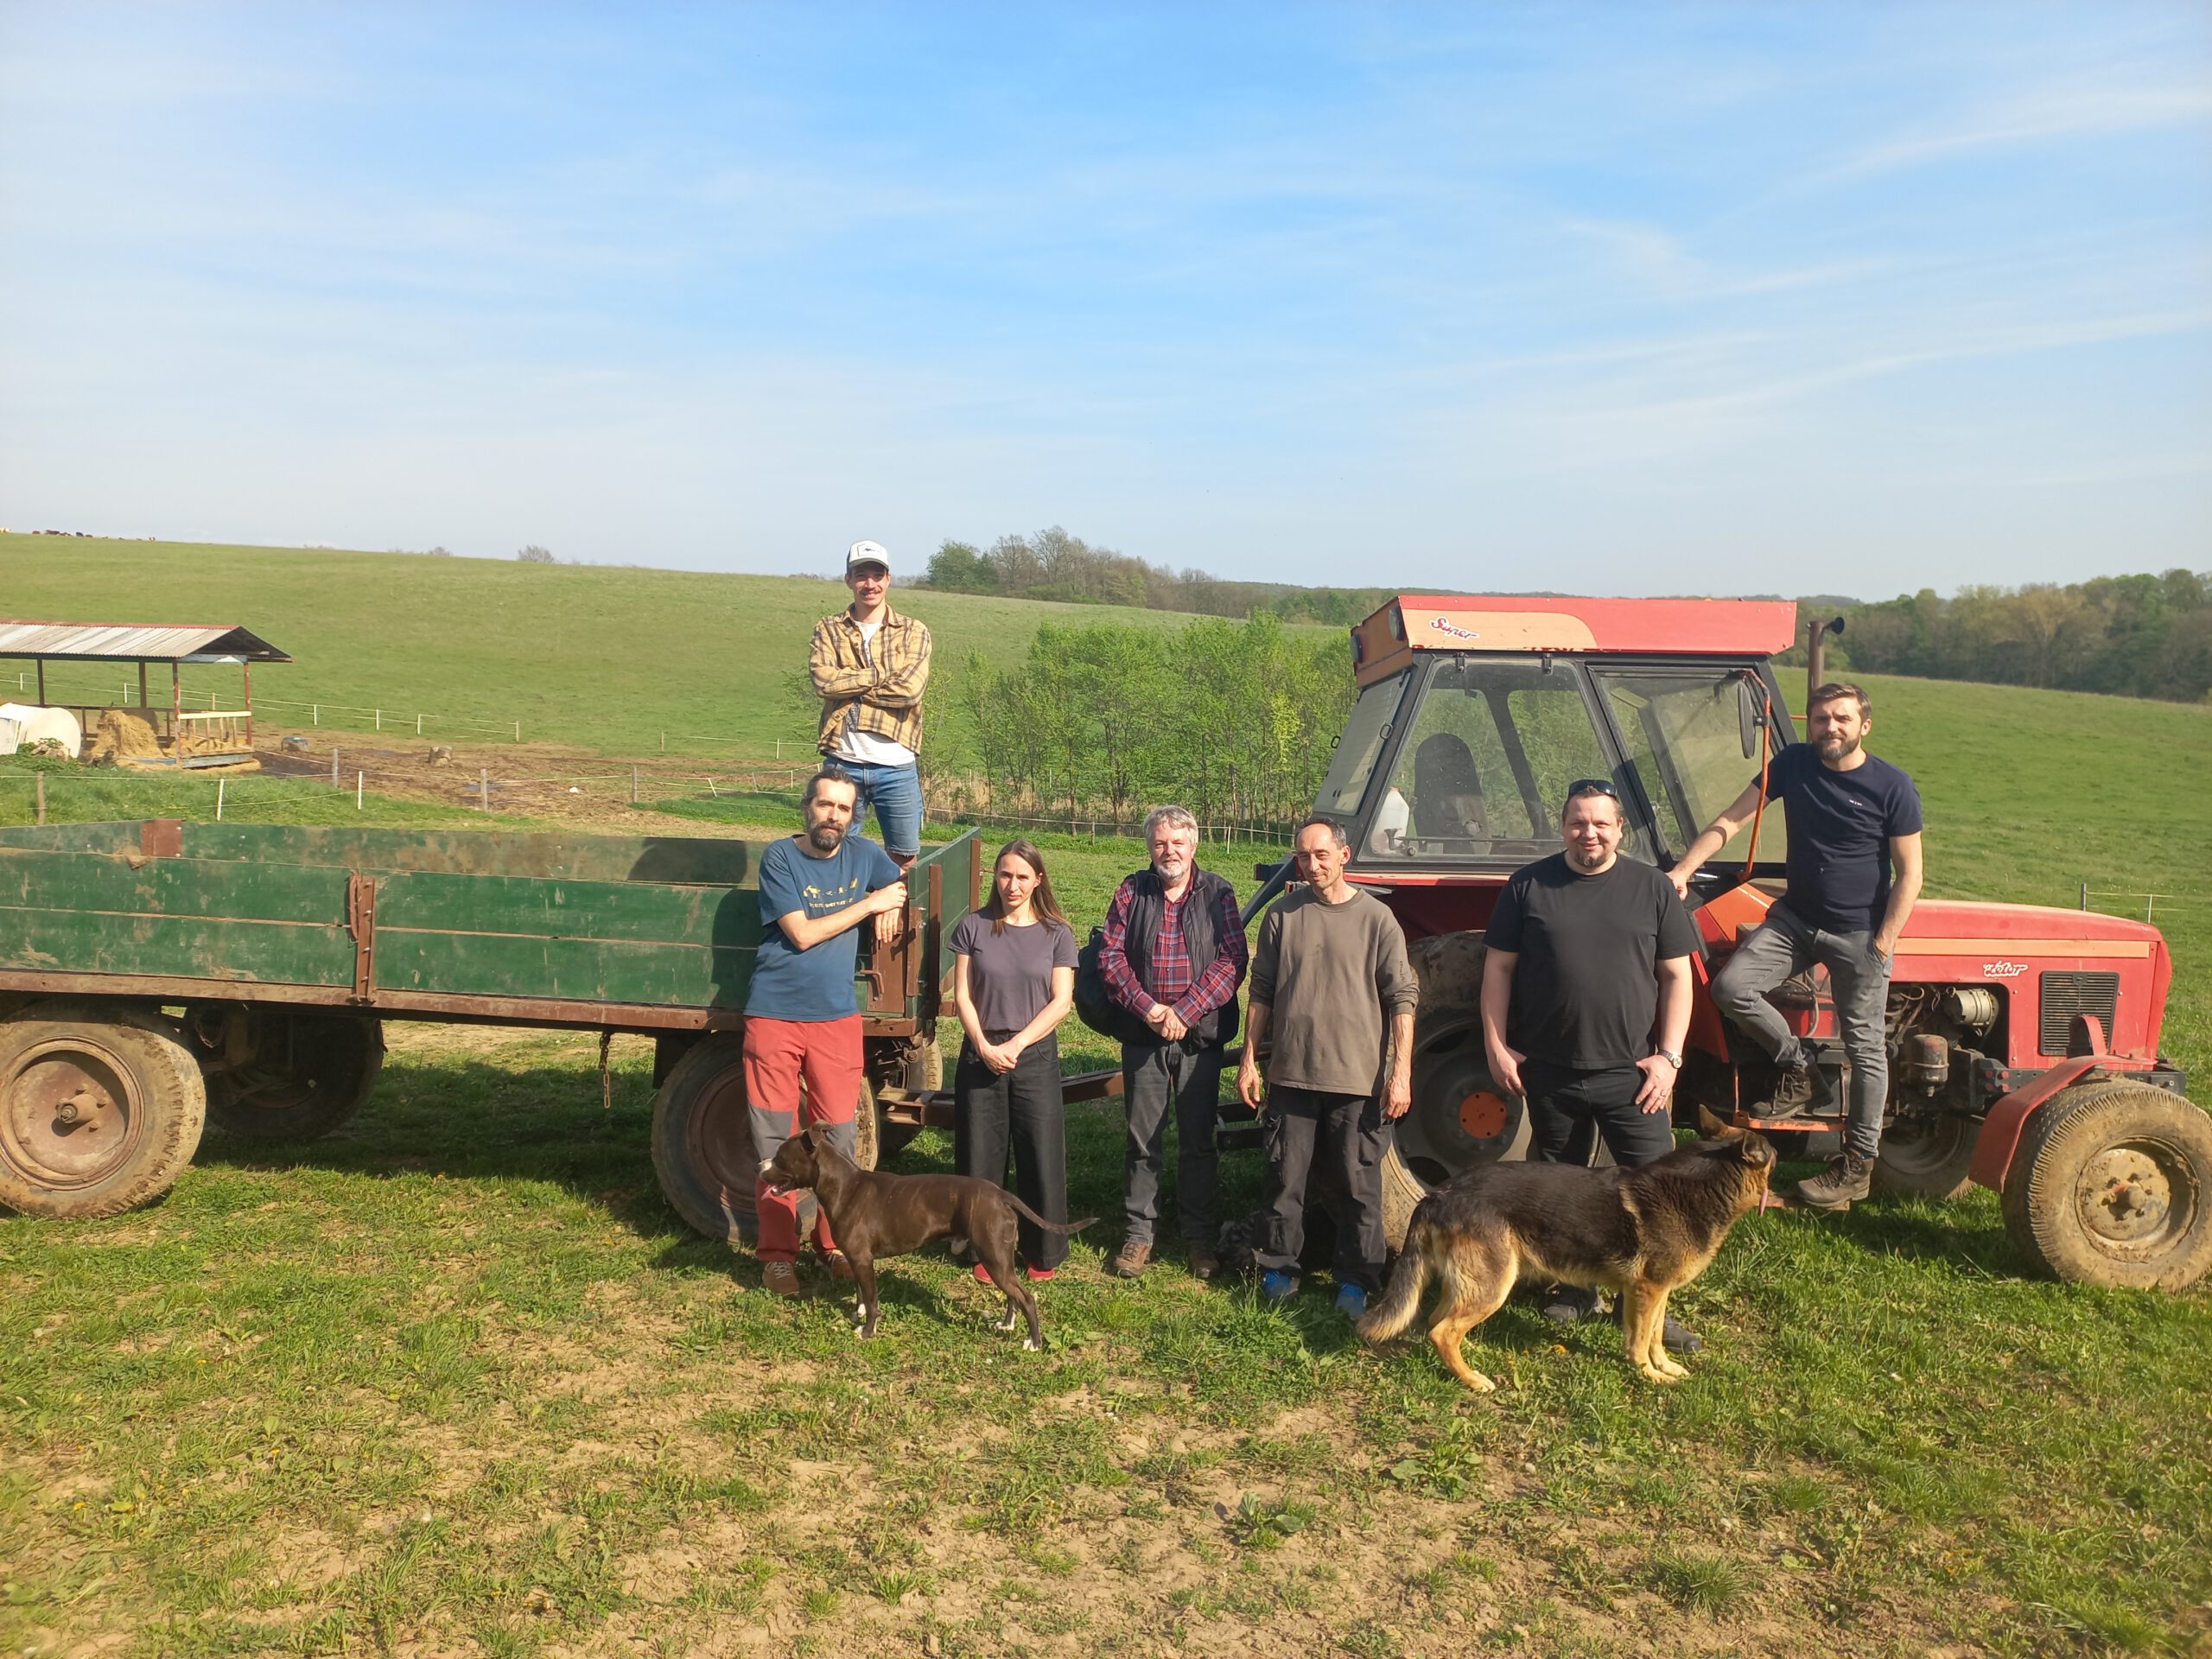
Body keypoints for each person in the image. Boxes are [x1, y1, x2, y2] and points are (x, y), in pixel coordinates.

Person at [1668, 682, 1924, 1211]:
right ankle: (1797, 1064)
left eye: (1842, 718)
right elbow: (1731, 820)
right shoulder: (1793, 765)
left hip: (1860, 935)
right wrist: (1683, 870)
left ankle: (1857, 1165)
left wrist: (1882, 943)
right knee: (1732, 988)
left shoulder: (1893, 787)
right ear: (1809, 724)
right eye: (1821, 718)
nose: (1831, 727)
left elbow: (1910, 874)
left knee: (1866, 1048)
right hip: (1795, 921)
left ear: (1864, 725)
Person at [1482, 778, 1705, 1349]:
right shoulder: (1528, 885)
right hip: (1550, 1069)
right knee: (1561, 1192)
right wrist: (1496, 1043)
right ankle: (1575, 1290)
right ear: (1563, 826)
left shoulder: (1652, 888)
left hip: (1633, 1076)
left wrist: (1670, 1059)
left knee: (1665, 1194)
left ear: (1619, 829)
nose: (1590, 833)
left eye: (1601, 823)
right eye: (1579, 822)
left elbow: (1678, 976)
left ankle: (1653, 1308)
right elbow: (1499, 969)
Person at [1236, 816, 1417, 1319]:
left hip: (1358, 1082)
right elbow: (1263, 992)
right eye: (1302, 856)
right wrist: (1250, 1060)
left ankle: (1357, 1280)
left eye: (1320, 855)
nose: (1311, 865)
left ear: (1344, 856)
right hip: (1292, 1075)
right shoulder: (1282, 916)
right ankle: (1278, 1267)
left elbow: (1403, 998)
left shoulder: (1377, 919)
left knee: (1360, 1187)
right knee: (1284, 1179)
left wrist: (1400, 1073)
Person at [745, 768, 908, 1296]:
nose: (832, 816)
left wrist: (894, 903)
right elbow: (803, 933)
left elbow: (899, 880)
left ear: (853, 814)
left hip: (836, 1019)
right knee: (775, 1142)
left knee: (837, 1140)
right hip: (774, 1016)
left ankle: (833, 1243)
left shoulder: (864, 855)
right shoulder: (780, 857)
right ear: (807, 807)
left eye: (842, 808)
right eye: (824, 805)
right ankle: (776, 1256)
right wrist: (869, 906)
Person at [1097, 804, 1248, 1280]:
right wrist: (1150, 1009)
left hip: (1198, 1037)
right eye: (1161, 843)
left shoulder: (1217, 892)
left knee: (1198, 1141)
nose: (1169, 852)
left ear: (1194, 846)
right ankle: (1139, 1235)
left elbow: (1232, 961)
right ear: (1149, 848)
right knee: (1143, 1140)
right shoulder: (1131, 890)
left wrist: (1184, 1011)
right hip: (1143, 1034)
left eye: (1178, 843)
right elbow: (1110, 958)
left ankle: (1199, 1237)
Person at [950, 839, 1079, 1281]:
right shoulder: (973, 927)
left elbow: (1062, 1003)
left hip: (1034, 1052)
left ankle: (1042, 1250)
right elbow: (962, 995)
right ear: (994, 877)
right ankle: (984, 1249)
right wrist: (984, 1046)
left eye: (1023, 876)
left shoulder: (1057, 932)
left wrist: (1018, 1044)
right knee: (980, 1157)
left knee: (1039, 1152)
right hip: (980, 1050)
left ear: (1038, 880)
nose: (1013, 884)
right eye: (1005, 874)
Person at [809, 540, 933, 868]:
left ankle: (894, 918)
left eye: (877, 575)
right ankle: (843, 919)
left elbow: (909, 691)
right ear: (848, 580)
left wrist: (850, 683)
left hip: (897, 765)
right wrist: (881, 675)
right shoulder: (828, 629)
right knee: (833, 854)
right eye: (861, 575)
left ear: (888, 579)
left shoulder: (913, 631)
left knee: (905, 858)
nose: (869, 584)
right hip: (843, 763)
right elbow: (824, 682)